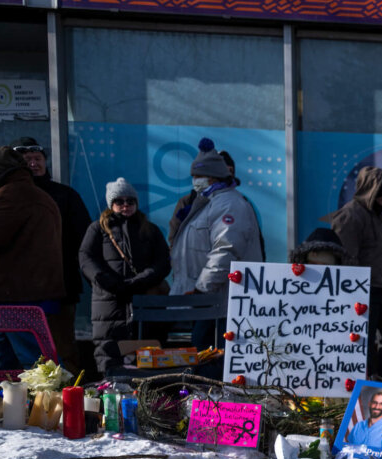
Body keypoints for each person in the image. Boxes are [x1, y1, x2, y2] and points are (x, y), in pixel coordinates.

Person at [169, 136, 263, 349]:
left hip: (220, 302)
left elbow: (226, 249)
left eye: (198, 175)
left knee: (209, 356)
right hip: (208, 302)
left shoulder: (228, 204)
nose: (195, 180)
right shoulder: (209, 203)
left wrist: (203, 287)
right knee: (202, 354)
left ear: (212, 178)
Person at [13, 137, 91, 373]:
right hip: (18, 291)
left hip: (60, 287)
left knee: (62, 345)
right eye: (27, 160)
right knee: (24, 351)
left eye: (38, 159)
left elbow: (85, 239)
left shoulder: (65, 195)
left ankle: (71, 395)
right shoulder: (8, 197)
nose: (34, 164)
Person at [78, 178, 171, 373]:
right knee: (109, 353)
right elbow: (86, 258)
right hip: (109, 302)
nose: (126, 205)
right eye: (120, 201)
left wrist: (140, 281)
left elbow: (163, 262)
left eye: (131, 201)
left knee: (147, 357)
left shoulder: (149, 229)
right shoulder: (98, 229)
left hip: (144, 300)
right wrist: (105, 280)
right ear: (111, 204)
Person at [331, 166, 382, 379]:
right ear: (375, 192)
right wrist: (355, 292)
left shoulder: (381, 219)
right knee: (365, 341)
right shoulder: (350, 216)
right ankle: (367, 383)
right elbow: (345, 258)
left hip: (381, 289)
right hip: (361, 292)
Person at [0, 146, 63, 369]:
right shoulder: (32, 193)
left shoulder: (12, 195)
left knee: (37, 365)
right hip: (27, 293)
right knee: (17, 364)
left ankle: (59, 402)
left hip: (16, 295)